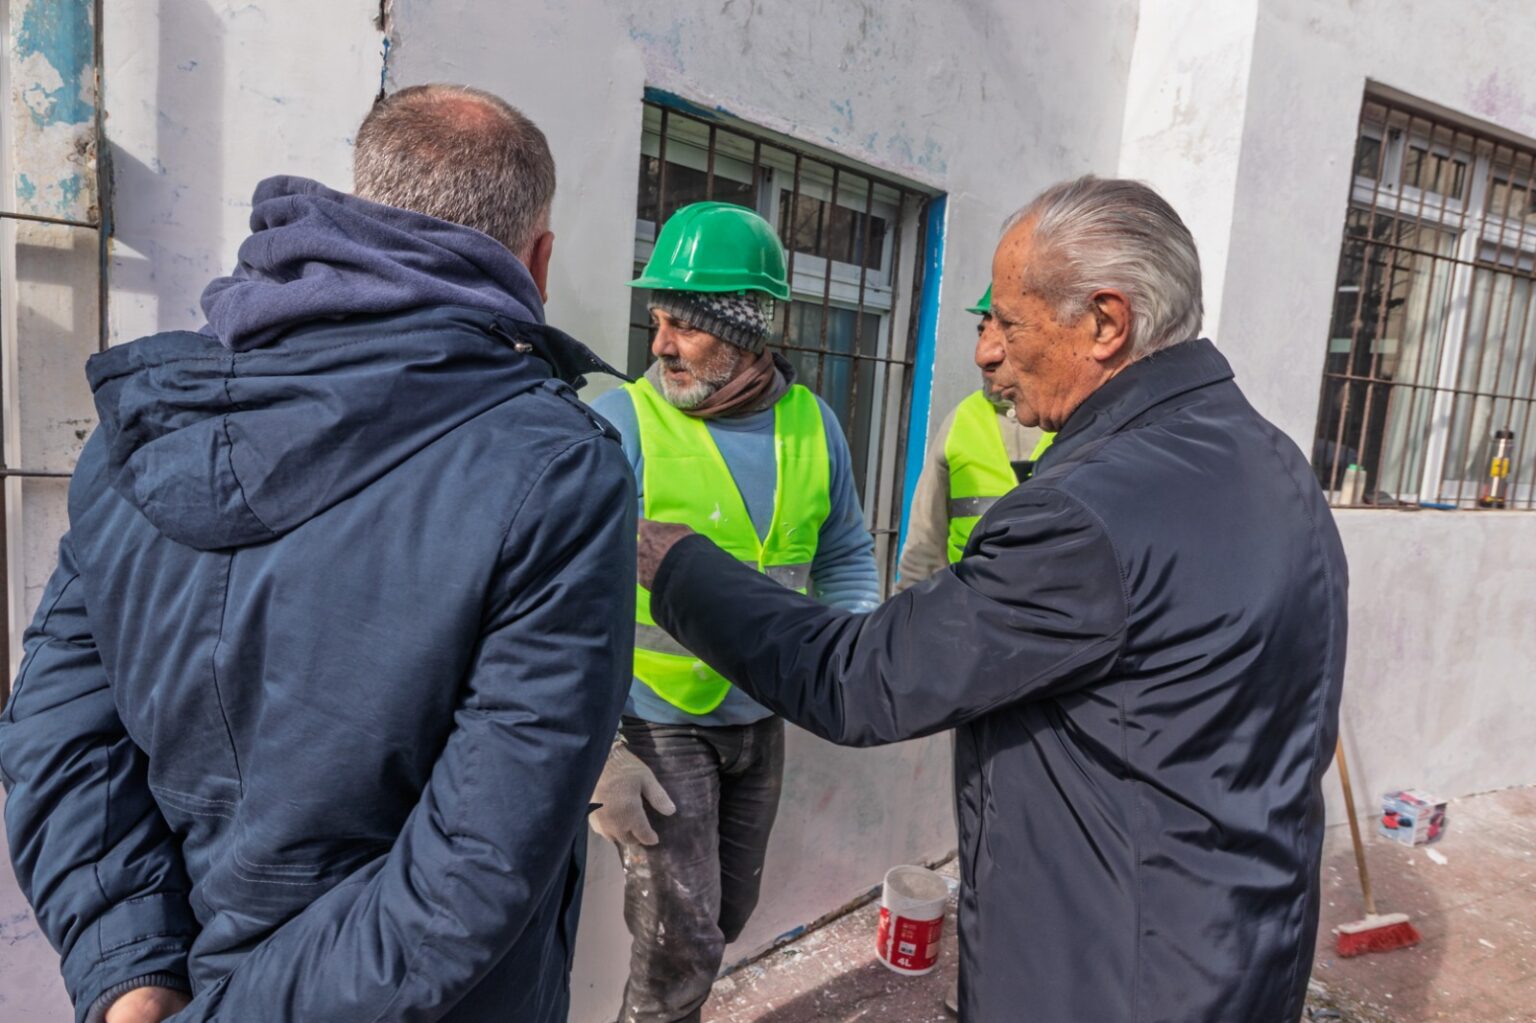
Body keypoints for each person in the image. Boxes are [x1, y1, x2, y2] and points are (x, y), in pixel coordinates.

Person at [635, 176, 1348, 1022]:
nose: (985, 352)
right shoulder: (1272, 462)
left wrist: (677, 563)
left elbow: (858, 675)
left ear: (1106, 323)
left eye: (1008, 321)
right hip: (1239, 949)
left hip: (1113, 977)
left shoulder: (1085, 512)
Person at [0, 85, 635, 1023]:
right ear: (537, 261)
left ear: (363, 209)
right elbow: (470, 873)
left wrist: (134, 977)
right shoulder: (557, 472)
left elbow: (57, 732)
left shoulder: (145, 423)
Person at [587, 201, 879, 1023]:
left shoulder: (813, 425)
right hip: (660, 721)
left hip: (762, 713)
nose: (660, 345)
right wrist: (603, 752)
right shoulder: (624, 424)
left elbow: (845, 552)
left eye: (684, 324)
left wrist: (847, 645)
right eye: (658, 321)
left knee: (724, 916)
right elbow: (566, 592)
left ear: (746, 330)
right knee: (677, 935)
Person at [896, 284, 1051, 592]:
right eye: (983, 331)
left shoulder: (1078, 424)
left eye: (1007, 335)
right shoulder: (961, 421)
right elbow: (923, 551)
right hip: (967, 625)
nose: (984, 354)